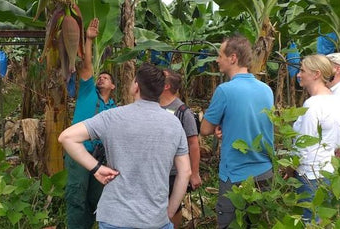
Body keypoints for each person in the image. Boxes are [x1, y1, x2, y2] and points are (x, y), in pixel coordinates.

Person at [58, 63, 192, 229]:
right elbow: (185, 172)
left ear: (136, 86)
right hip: (156, 219)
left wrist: (96, 168)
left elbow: (67, 138)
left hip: (115, 217)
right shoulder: (174, 123)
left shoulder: (112, 116)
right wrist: (170, 212)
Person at [200, 35, 274, 228]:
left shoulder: (225, 90)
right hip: (264, 172)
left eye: (220, 55)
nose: (217, 60)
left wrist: (218, 125)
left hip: (235, 175)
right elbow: (253, 121)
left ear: (233, 58)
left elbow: (205, 129)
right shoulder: (266, 89)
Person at [64, 18, 117, 229]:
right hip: (79, 154)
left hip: (100, 159)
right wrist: (88, 39)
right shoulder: (87, 92)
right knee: (76, 197)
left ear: (113, 86)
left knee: (97, 199)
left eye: (106, 78)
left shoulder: (114, 109)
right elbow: (86, 66)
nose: (102, 79)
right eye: (100, 76)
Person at [290, 54, 340, 222]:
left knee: (310, 222)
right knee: (325, 221)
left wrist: (290, 167)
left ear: (316, 74)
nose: (298, 74)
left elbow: (303, 145)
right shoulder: (337, 101)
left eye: (302, 70)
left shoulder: (312, 105)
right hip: (329, 172)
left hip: (310, 175)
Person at [160, 68, 202, 228]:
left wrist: (194, 173)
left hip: (174, 172)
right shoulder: (152, 106)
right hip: (156, 169)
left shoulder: (183, 111)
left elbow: (193, 144)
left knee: (173, 208)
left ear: (166, 86)